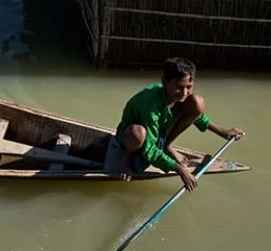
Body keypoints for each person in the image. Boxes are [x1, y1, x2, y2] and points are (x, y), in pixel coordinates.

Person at [105, 57, 245, 190]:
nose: (184, 93)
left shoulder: (178, 96)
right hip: (130, 137)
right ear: (165, 82)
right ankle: (126, 159)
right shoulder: (151, 102)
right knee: (138, 133)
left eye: (189, 87)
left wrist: (223, 132)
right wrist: (179, 169)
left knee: (197, 102)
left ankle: (166, 146)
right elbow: (148, 147)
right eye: (179, 87)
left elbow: (197, 115)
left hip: (158, 133)